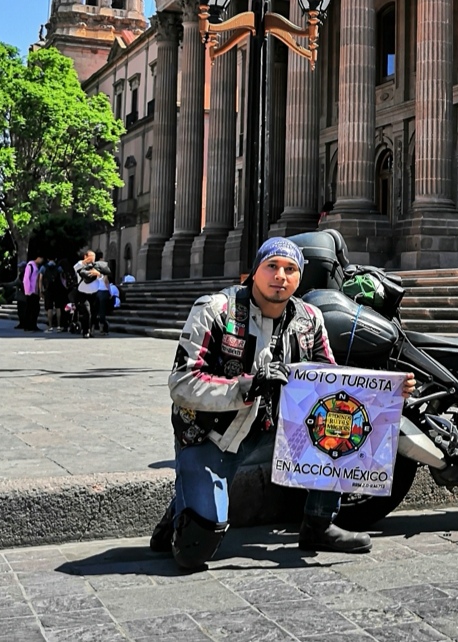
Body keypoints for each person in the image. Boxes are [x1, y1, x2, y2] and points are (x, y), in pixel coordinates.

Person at [149, 236, 414, 572]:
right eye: (271, 266)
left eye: (290, 269)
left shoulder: (310, 317)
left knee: (337, 425)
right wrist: (247, 386)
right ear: (254, 272)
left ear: (300, 278)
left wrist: (385, 392)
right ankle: (180, 513)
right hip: (213, 433)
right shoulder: (216, 310)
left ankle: (318, 525)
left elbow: (332, 384)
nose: (281, 276)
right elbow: (182, 382)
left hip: (277, 429)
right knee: (193, 551)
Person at [73, 248, 99, 337]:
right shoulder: (80, 264)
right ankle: (85, 331)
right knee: (87, 312)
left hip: (94, 293)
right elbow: (76, 268)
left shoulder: (96, 266)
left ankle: (91, 330)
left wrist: (98, 273)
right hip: (83, 293)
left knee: (94, 313)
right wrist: (86, 262)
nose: (93, 259)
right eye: (91, 257)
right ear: (85, 257)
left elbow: (101, 276)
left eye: (94, 257)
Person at [40, 259, 67, 331]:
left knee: (49, 308)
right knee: (58, 307)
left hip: (48, 290)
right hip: (57, 289)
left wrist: (41, 290)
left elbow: (40, 278)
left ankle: (50, 326)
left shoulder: (44, 267)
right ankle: (58, 325)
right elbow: (63, 278)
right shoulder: (58, 267)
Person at [19, 256, 43, 331]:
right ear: (38, 258)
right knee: (30, 309)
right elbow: (26, 279)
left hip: (36, 291)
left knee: (35, 309)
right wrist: (27, 291)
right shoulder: (30, 266)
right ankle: (27, 325)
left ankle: (33, 325)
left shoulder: (37, 266)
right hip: (31, 291)